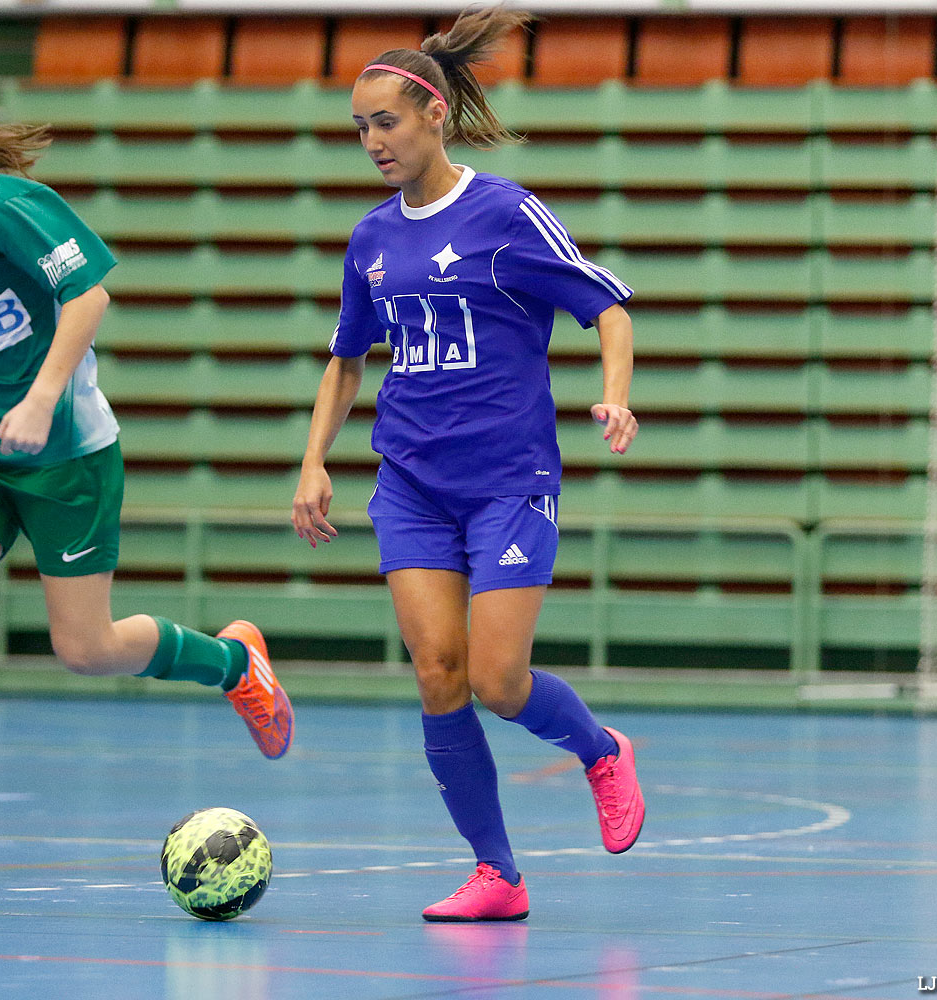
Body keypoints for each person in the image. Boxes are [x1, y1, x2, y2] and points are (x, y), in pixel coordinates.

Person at [0, 88, 294, 880]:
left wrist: (41, 398)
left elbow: (89, 295)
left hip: (65, 449)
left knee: (87, 647)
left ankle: (232, 664)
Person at [290, 6, 645, 921]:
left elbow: (607, 307)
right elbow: (347, 356)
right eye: (360, 127)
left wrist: (615, 392)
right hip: (410, 482)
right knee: (438, 673)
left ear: (435, 114)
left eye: (386, 121)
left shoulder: (507, 213)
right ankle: (498, 874)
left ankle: (601, 748)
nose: (372, 141)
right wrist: (313, 460)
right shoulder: (370, 238)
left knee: (496, 679)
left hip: (507, 483)